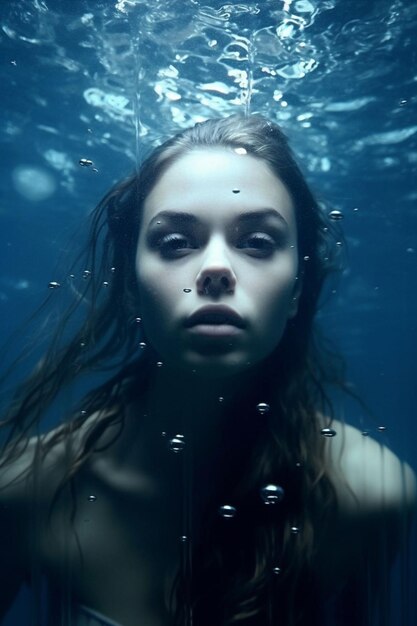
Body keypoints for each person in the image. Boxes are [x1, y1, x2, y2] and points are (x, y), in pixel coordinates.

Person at [0, 115, 415, 626]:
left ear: (298, 289)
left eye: (258, 242)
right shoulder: (25, 490)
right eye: (175, 242)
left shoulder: (374, 495)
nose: (216, 268)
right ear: (130, 284)